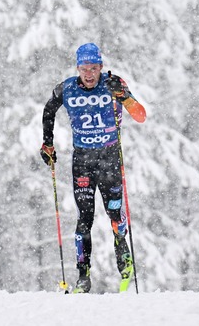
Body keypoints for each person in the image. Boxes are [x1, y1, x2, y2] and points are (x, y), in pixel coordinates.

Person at [39, 43, 146, 293]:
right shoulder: (66, 88)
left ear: (101, 67)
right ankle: (83, 277)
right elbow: (48, 111)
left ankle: (125, 265)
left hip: (109, 160)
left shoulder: (113, 83)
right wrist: (47, 144)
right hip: (83, 163)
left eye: (94, 68)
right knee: (84, 220)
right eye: (84, 68)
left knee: (115, 217)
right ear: (78, 68)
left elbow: (140, 116)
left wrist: (125, 97)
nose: (89, 74)